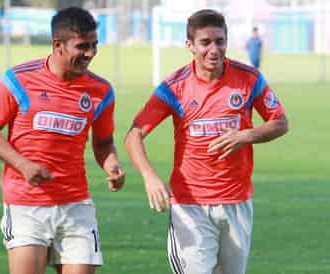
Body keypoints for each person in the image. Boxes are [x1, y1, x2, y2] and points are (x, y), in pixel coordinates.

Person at [125, 9, 288, 274]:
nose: (214, 49)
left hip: (237, 203)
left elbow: (280, 122)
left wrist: (246, 135)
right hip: (190, 206)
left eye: (220, 41)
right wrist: (149, 177)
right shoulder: (174, 87)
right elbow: (134, 135)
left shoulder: (249, 79)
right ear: (190, 45)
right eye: (205, 42)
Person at [0, 6, 125, 274]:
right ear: (58, 45)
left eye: (94, 45)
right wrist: (23, 165)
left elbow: (103, 142)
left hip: (76, 204)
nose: (90, 53)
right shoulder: (19, 79)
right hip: (25, 203)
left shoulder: (101, 90)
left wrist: (112, 166)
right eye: (82, 46)